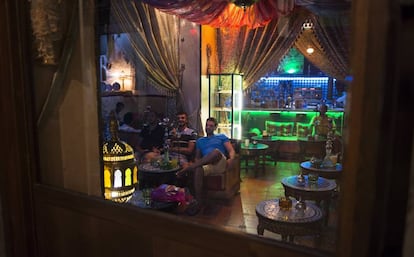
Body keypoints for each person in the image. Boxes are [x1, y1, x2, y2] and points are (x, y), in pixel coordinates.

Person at [176, 117, 236, 204]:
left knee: (215, 152)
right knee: (198, 168)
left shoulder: (221, 137)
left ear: (215, 128)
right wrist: (196, 164)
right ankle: (198, 201)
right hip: (207, 165)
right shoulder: (200, 141)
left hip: (220, 163)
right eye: (207, 125)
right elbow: (197, 158)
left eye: (211, 126)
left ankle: (187, 169)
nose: (208, 127)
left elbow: (231, 151)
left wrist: (231, 159)